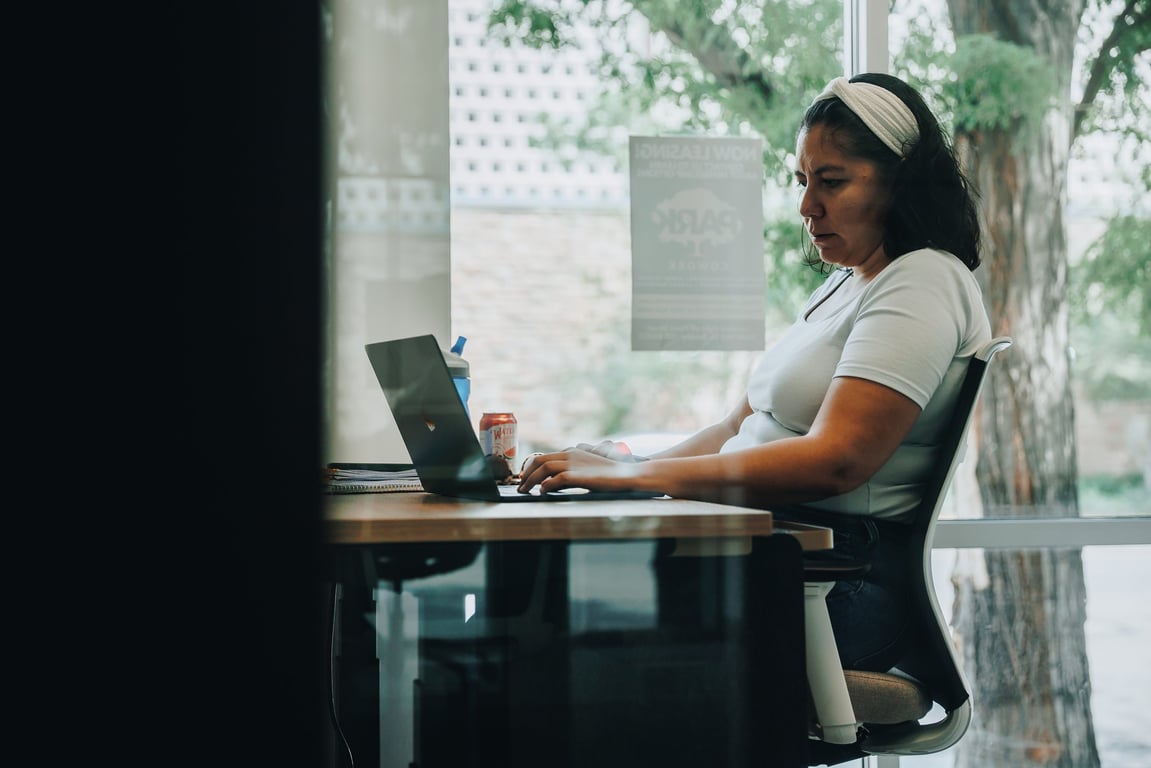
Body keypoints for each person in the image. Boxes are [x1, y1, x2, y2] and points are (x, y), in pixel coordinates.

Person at [518, 72, 991, 673]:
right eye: (802, 181)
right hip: (777, 557)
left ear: (900, 179)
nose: (806, 206)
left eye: (832, 181)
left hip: (832, 583)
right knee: (544, 603)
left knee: (562, 637)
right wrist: (630, 469)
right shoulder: (847, 285)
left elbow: (837, 459)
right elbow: (736, 425)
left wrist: (640, 481)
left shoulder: (924, 279)